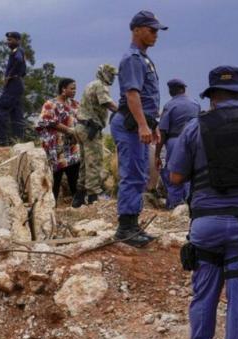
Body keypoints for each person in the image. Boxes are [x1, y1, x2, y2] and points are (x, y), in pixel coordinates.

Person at [168, 66, 238, 339]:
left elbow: (174, 178)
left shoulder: (193, 128)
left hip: (205, 228)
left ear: (211, 96)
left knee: (203, 298)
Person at [110, 10, 167, 247]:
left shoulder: (142, 58)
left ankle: (133, 224)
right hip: (131, 125)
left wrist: (151, 125)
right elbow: (132, 95)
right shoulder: (133, 58)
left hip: (140, 125)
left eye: (157, 30)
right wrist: (143, 124)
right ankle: (125, 229)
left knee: (140, 174)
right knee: (132, 175)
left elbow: (146, 97)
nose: (155, 34)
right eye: (151, 30)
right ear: (136, 30)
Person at [73, 64, 119, 208]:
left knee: (84, 163)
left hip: (81, 127)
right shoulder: (101, 86)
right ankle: (93, 197)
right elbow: (108, 103)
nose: (112, 78)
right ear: (104, 73)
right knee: (94, 162)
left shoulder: (90, 84)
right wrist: (124, 112)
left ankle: (79, 196)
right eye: (110, 74)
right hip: (90, 128)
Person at [156, 79, 200, 209]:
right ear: (184, 89)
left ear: (171, 91)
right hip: (195, 140)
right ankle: (189, 203)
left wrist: (157, 154)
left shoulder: (170, 106)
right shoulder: (195, 104)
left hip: (175, 140)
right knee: (191, 172)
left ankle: (175, 204)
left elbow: (162, 131)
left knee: (172, 172)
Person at [36, 78, 80, 202]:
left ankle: (77, 204)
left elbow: (81, 119)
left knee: (74, 175)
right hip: (56, 147)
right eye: (72, 88)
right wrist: (68, 130)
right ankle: (51, 204)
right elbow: (47, 120)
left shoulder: (75, 104)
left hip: (72, 147)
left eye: (75, 88)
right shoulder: (50, 104)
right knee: (56, 176)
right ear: (63, 89)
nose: (74, 91)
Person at [0, 31, 27, 146]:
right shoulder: (20, 51)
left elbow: (19, 60)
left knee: (0, 109)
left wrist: (10, 75)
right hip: (18, 83)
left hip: (13, 84)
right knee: (16, 112)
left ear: (18, 40)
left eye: (10, 40)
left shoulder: (17, 52)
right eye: (7, 40)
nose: (8, 42)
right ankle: (17, 140)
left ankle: (1, 139)